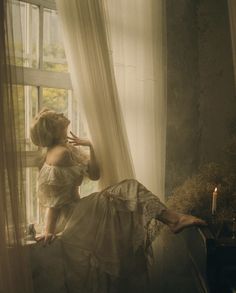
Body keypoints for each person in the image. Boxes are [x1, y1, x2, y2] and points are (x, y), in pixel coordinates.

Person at [30, 108, 206, 293]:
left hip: (79, 211)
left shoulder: (67, 149)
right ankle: (174, 219)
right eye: (57, 116)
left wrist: (90, 145)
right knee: (129, 188)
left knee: (125, 196)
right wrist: (49, 230)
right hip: (72, 217)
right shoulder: (60, 154)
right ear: (52, 129)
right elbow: (53, 200)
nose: (62, 114)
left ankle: (173, 219)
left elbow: (95, 175)